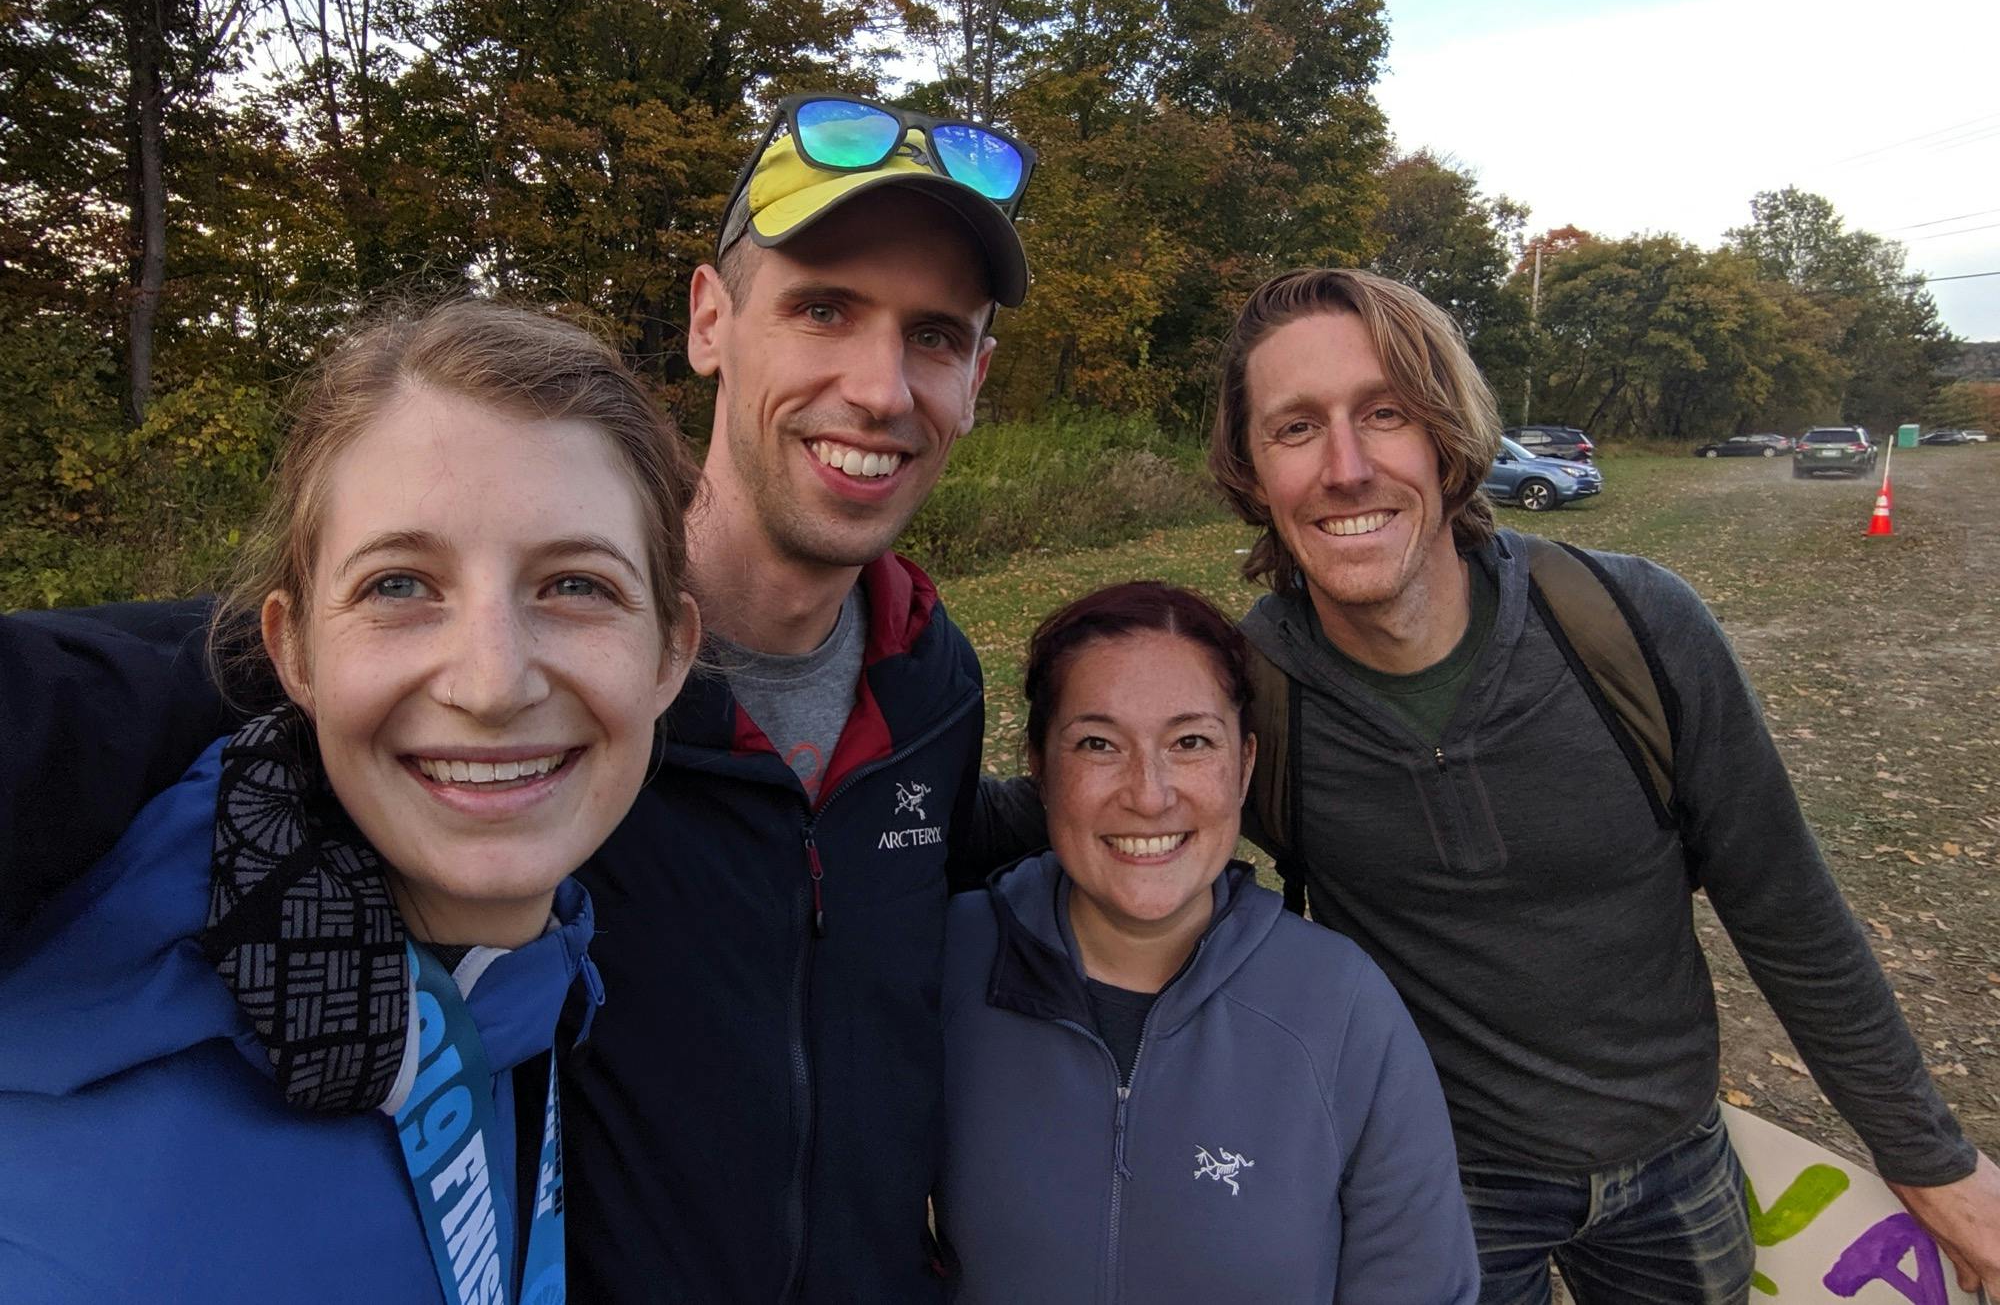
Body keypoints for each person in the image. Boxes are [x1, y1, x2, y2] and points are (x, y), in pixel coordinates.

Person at [0, 93, 1034, 1302]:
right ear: (711, 319)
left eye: (933, 336)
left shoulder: (935, 683)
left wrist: (1168, 788)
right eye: (821, 309)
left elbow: (948, 862)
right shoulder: (483, 697)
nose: (878, 387)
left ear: (974, 379)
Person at [1199, 268, 2000, 1302]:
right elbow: (1102, 819)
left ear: (1445, 435)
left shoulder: (1632, 628)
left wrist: (1928, 1158)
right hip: (1431, 1177)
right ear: (1251, 472)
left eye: (1383, 413)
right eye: (1294, 429)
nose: (1344, 467)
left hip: (1673, 1157)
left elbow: (1785, 910)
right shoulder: (1246, 693)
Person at [0, 302, 703, 1300]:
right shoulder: (71, 972)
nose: (493, 683)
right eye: (399, 586)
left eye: (575, 586)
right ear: (292, 650)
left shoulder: (541, 983)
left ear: (670, 652)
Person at [936, 582, 1479, 1305]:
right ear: (1038, 764)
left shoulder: (1342, 1009)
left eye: (1190, 741)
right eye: (1098, 743)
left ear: (1245, 764)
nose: (1150, 794)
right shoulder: (944, 969)